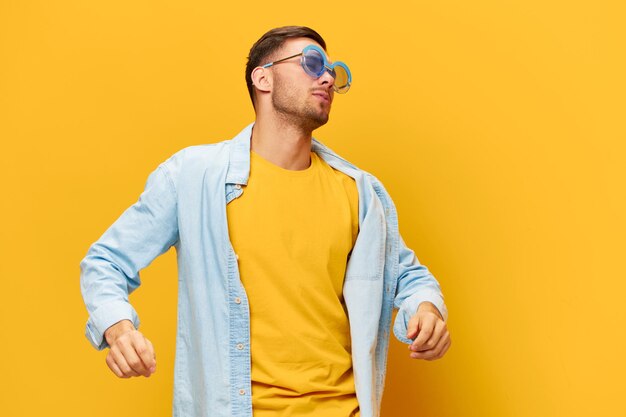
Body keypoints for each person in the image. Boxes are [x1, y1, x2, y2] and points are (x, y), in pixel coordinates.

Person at [80, 25, 451, 417]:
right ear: (263, 77)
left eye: (332, 71)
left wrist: (426, 310)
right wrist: (118, 329)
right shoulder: (193, 177)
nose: (327, 77)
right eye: (312, 63)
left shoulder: (359, 192)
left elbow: (407, 276)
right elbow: (106, 261)